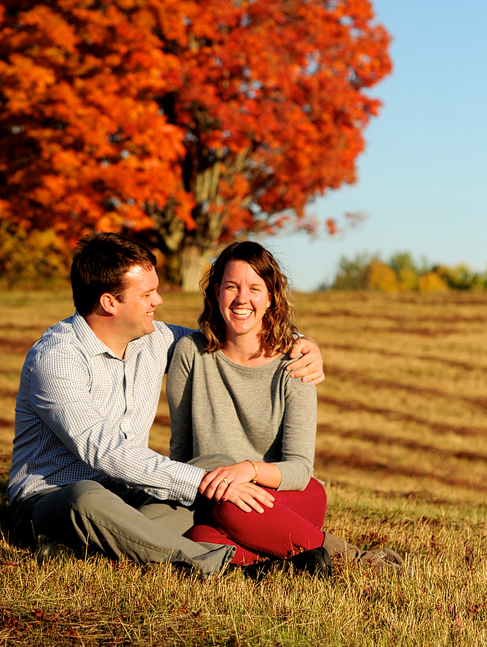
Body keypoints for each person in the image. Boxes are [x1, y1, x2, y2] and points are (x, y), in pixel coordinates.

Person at [8, 232, 328, 577]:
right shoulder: (56, 357)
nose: (157, 301)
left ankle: (96, 547)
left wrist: (301, 342)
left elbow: (229, 335)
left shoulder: (154, 340)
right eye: (146, 294)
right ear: (109, 303)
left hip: (128, 496)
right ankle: (218, 564)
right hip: (53, 498)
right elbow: (104, 452)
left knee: (217, 465)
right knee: (87, 498)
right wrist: (199, 483)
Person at [167, 240, 403, 572]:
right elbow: (180, 450)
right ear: (216, 291)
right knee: (198, 537)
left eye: (254, 288)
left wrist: (247, 470)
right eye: (231, 286)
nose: (241, 299)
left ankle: (351, 560)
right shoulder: (190, 353)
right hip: (217, 498)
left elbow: (299, 468)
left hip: (288, 495)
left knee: (228, 510)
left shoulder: (295, 362)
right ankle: (293, 559)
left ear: (271, 297)